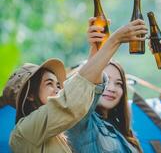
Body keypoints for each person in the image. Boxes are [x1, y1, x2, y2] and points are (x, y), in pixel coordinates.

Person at [8, 19, 147, 153]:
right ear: (30, 95)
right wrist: (114, 40)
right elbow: (71, 101)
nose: (58, 88)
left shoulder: (58, 133)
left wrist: (96, 48)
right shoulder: (24, 132)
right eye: (49, 83)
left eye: (58, 84)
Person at [66, 17, 142, 152]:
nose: (112, 88)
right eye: (105, 80)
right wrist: (109, 42)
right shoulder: (80, 122)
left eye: (119, 84)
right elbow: (85, 84)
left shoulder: (123, 131)